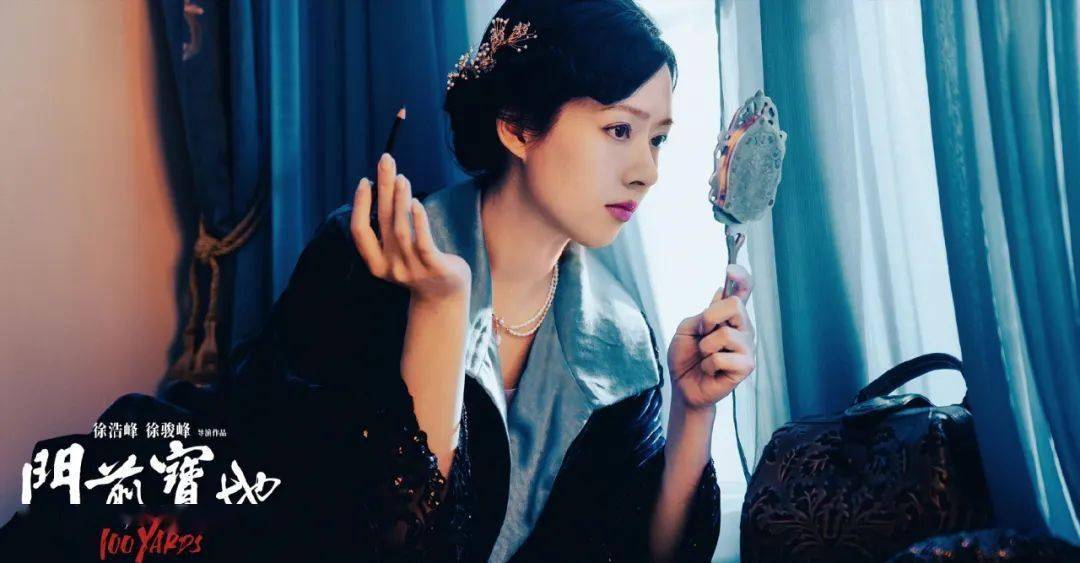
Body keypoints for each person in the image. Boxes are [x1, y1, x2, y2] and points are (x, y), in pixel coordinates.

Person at [0, 1, 756, 561]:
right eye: (619, 130)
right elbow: (363, 536)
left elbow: (640, 554)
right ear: (517, 126)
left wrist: (693, 412)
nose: (646, 171)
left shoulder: (622, 343)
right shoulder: (361, 260)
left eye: (658, 139)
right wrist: (439, 312)